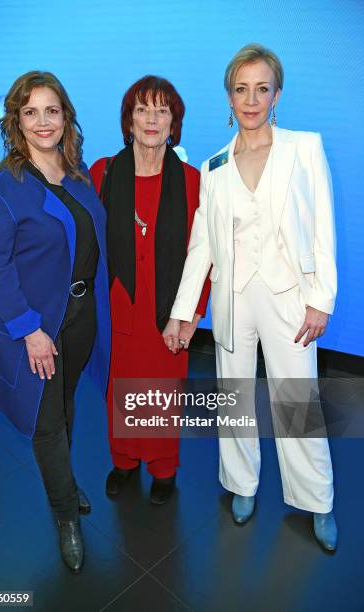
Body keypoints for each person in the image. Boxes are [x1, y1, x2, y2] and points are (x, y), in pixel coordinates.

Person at [163, 44, 337, 551]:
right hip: (233, 302)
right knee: (233, 396)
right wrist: (183, 314)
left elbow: (323, 225)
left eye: (262, 88)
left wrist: (321, 299)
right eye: (242, 89)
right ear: (229, 97)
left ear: (276, 94)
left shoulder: (304, 148)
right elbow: (202, 245)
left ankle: (317, 500)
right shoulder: (215, 167)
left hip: (289, 299)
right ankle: (241, 484)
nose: (251, 99)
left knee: (297, 402)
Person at [0, 71, 110, 573]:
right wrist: (30, 331)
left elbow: (91, 243)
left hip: (80, 317)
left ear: (65, 115)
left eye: (50, 110)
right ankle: (65, 517)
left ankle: (67, 483)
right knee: (46, 422)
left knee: (67, 403)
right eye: (30, 112)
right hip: (36, 329)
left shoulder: (77, 173)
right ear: (16, 120)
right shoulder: (2, 187)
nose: (42, 121)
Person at [90, 75, 210, 505]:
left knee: (162, 391)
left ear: (174, 121)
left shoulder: (194, 181)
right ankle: (123, 462)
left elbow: (204, 256)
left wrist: (194, 314)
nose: (153, 118)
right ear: (129, 120)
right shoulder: (103, 172)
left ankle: (162, 468)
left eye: (163, 110)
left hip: (167, 309)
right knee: (118, 388)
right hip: (117, 305)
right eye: (143, 109)